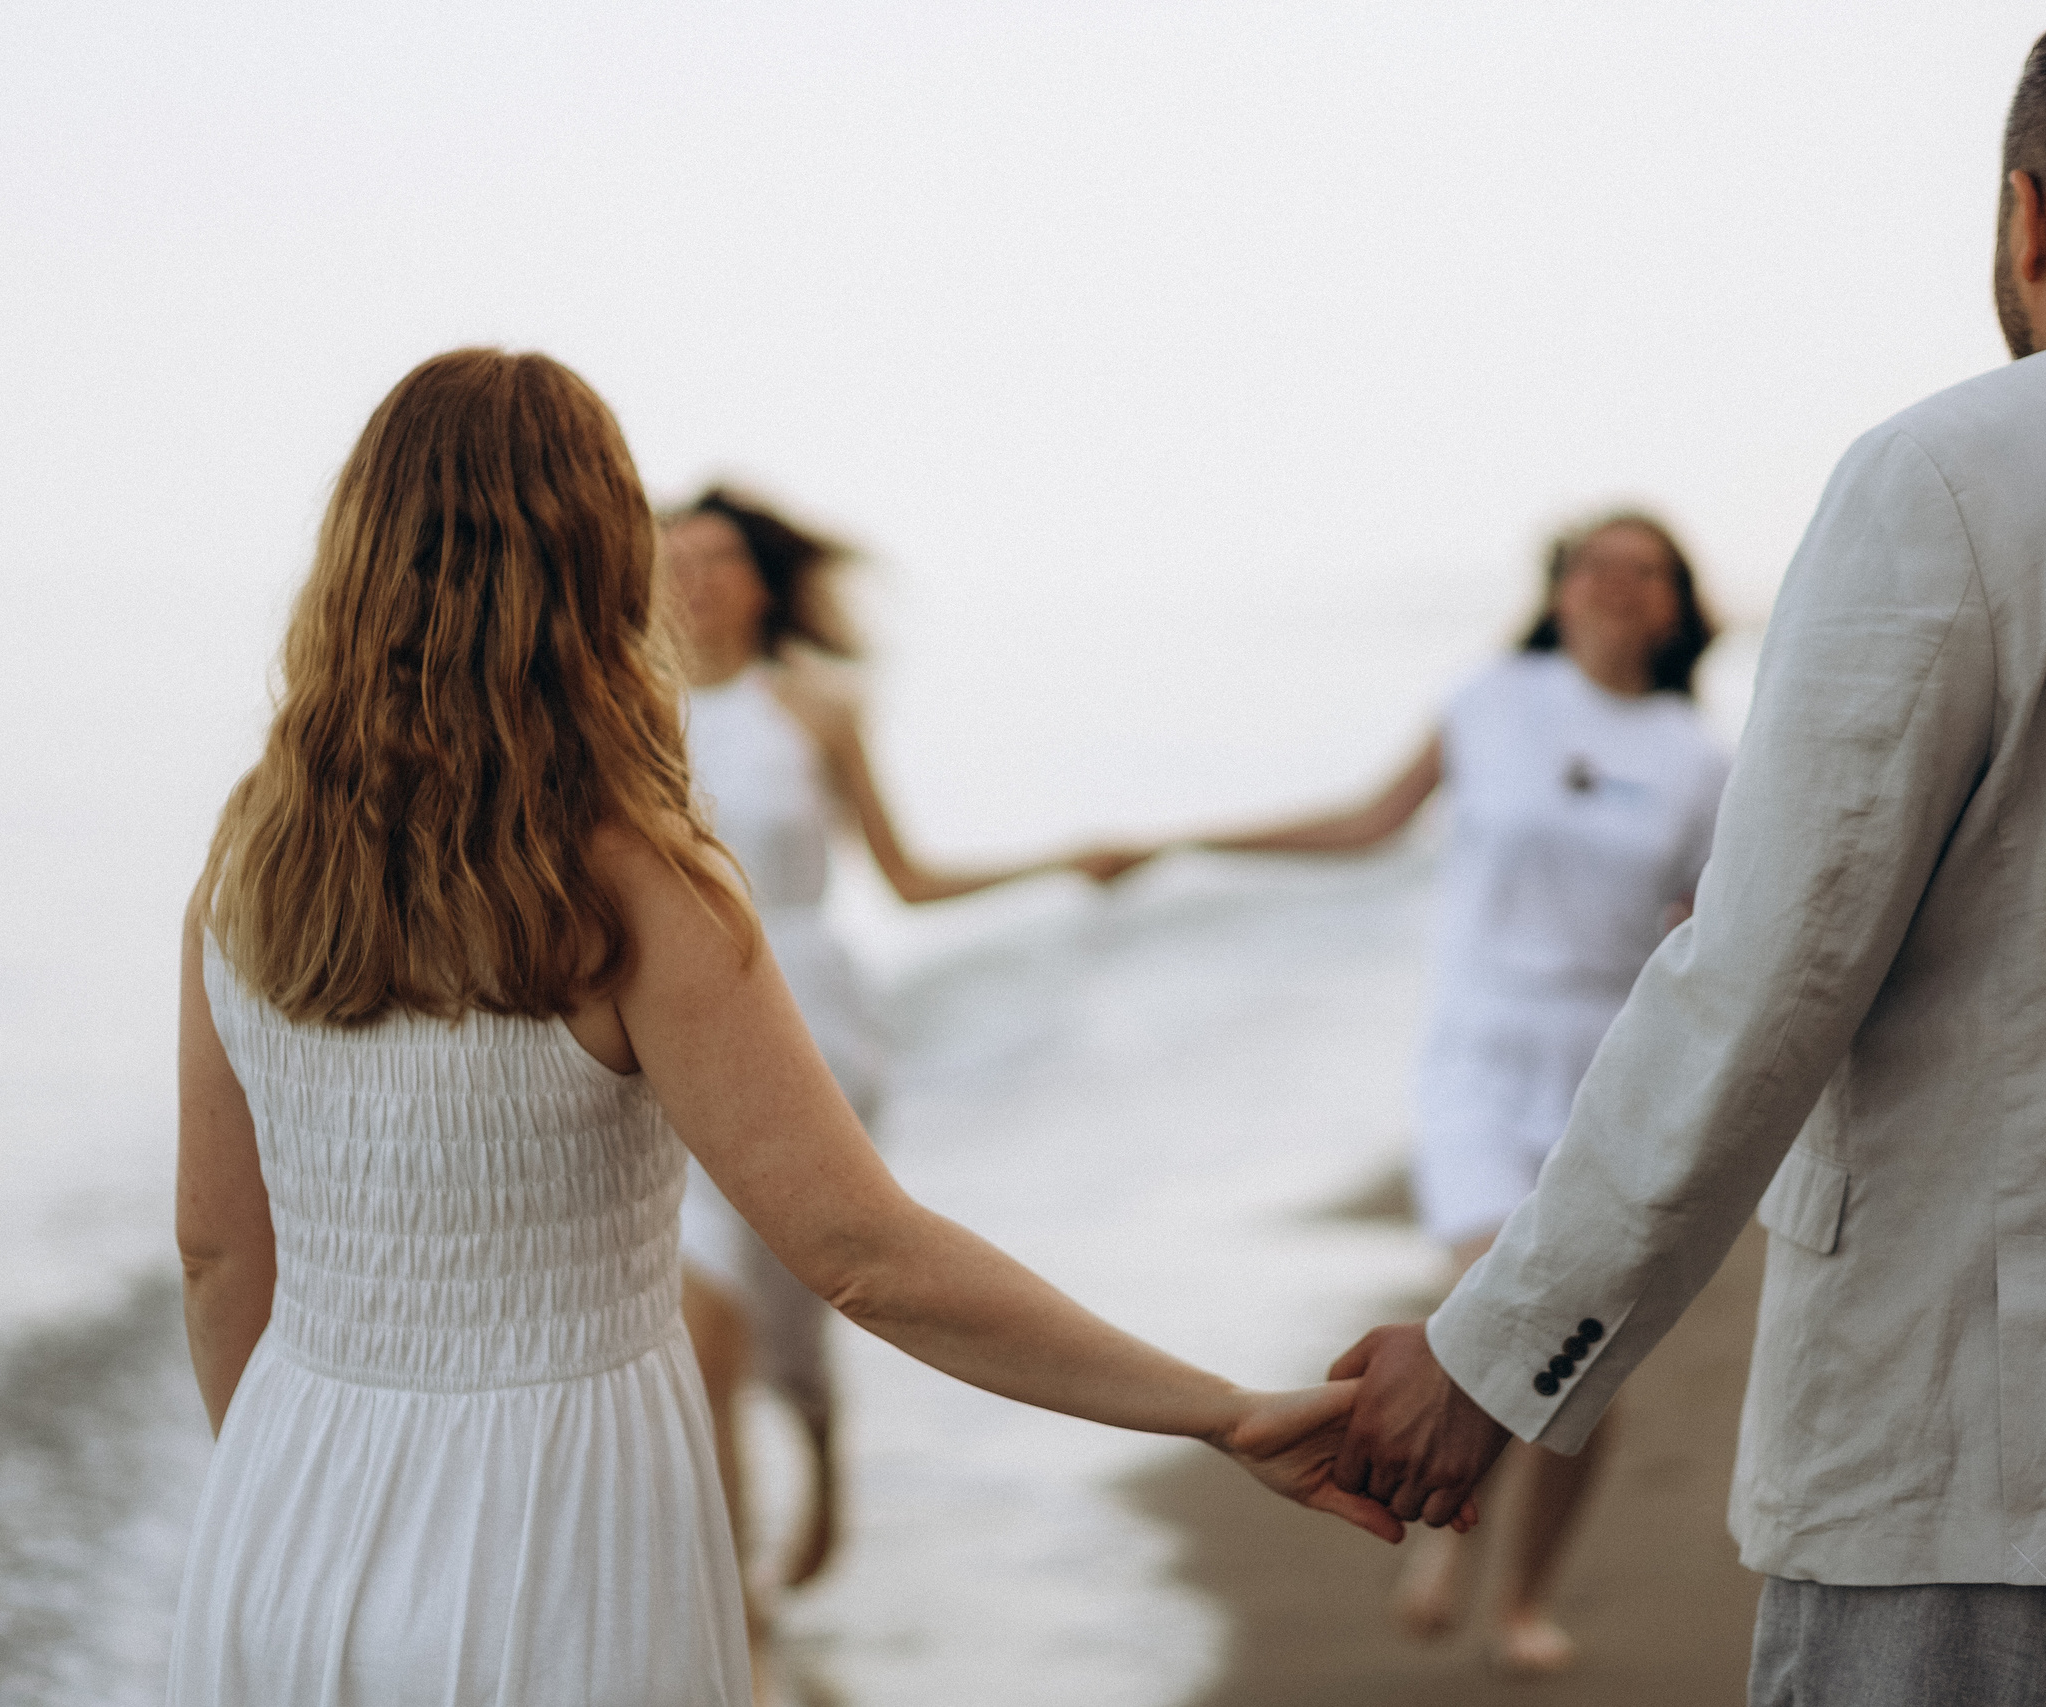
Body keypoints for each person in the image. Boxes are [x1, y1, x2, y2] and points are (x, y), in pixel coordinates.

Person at [167, 348, 1434, 1706]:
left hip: (286, 1502)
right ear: (607, 563)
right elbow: (865, 1254)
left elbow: (218, 1247)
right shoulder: (638, 881)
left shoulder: (253, 854)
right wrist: (1221, 1408)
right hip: (564, 1523)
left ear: (357, 548)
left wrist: (293, 1484)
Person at [1319, 8, 2046, 1704]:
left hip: (1998, 1457)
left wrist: (1500, 1348)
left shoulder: (1963, 469)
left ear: (2028, 213)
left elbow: (1767, 972)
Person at [1186, 512, 1728, 1674]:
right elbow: (1369, 821)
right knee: (1489, 1297)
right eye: (1594, 567)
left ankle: (1518, 1596)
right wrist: (1191, 840)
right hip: (1478, 1051)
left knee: (1588, 1345)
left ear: (1676, 606)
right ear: (1557, 591)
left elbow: (1708, 931)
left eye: (1645, 572)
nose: (1616, 586)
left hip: (1606, 1062)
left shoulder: (1698, 756)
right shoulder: (1490, 701)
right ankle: (1453, 1536)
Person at [663, 485, 1129, 1611]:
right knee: (696, 1338)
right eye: (672, 557)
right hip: (664, 1032)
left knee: (795, 1304)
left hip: (808, 1025)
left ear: (765, 581)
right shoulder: (619, 705)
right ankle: (744, 1637)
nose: (695, 577)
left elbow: (908, 879)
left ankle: (818, 1440)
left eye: (721, 557)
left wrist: (1061, 859)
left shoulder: (814, 707)